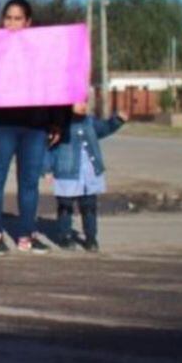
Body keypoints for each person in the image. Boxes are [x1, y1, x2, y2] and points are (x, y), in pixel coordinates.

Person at [0, 0, 69, 256]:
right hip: (2, 125)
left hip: (35, 125)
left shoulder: (42, 50)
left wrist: (57, 121)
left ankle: (26, 234)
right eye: (8, 18)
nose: (12, 23)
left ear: (28, 22)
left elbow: (55, 83)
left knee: (30, 182)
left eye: (18, 18)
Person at [48, 102, 128, 252]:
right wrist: (46, 168)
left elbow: (104, 128)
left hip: (89, 174)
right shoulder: (60, 124)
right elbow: (50, 148)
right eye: (79, 103)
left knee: (89, 207)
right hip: (67, 174)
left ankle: (91, 238)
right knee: (65, 206)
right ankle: (65, 236)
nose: (83, 106)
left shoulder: (90, 121)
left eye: (85, 102)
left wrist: (117, 120)